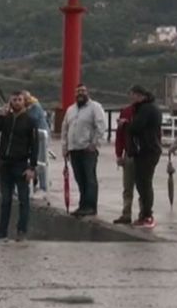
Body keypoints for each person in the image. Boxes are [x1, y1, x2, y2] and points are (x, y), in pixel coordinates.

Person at [0, 91, 39, 241]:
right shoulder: (6, 119)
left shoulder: (30, 121)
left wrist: (32, 167)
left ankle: (21, 231)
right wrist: (1, 116)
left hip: (21, 164)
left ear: (25, 102)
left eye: (19, 100)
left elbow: (35, 146)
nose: (17, 102)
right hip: (5, 164)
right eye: (14, 100)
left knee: (23, 199)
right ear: (10, 102)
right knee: (5, 200)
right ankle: (2, 232)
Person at [61, 84, 108, 217]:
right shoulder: (70, 109)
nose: (80, 94)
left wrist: (95, 144)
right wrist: (64, 148)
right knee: (80, 178)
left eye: (82, 91)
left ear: (88, 92)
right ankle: (83, 205)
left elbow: (101, 126)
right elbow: (65, 129)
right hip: (73, 150)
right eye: (77, 92)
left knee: (90, 178)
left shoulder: (95, 107)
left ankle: (91, 207)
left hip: (87, 150)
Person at [127, 85, 163, 229]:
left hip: (147, 150)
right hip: (150, 149)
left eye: (133, 95)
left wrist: (127, 125)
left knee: (144, 183)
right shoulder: (151, 107)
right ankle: (145, 214)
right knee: (143, 183)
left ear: (140, 95)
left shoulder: (146, 109)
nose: (131, 98)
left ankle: (147, 215)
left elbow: (136, 127)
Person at [22, 90, 50, 198]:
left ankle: (44, 187)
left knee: (41, 161)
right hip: (33, 137)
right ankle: (34, 183)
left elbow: (31, 119)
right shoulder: (29, 108)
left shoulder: (35, 107)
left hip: (42, 136)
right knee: (33, 161)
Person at [113, 102, 137, 224]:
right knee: (127, 187)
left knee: (143, 187)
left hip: (143, 155)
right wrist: (119, 154)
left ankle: (144, 214)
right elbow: (120, 134)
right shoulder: (126, 111)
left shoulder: (147, 111)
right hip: (129, 153)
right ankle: (126, 213)